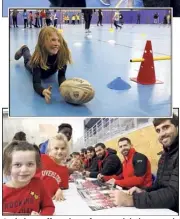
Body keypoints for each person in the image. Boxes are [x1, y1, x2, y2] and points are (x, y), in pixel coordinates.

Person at [110, 114, 179, 213]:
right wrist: (144, 191)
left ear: (177, 126)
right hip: (162, 205)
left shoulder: (139, 157)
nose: (162, 133)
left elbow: (175, 194)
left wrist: (132, 200)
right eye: (158, 130)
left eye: (166, 127)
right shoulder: (164, 156)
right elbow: (159, 185)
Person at [14, 26, 72, 104]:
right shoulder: (37, 60)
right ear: (43, 42)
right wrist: (43, 91)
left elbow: (61, 76)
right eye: (53, 40)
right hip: (34, 66)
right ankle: (24, 49)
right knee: (28, 61)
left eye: (59, 41)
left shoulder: (62, 55)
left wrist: (65, 87)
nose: (57, 44)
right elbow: (36, 83)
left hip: (47, 71)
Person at [3, 141, 55, 215]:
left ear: (36, 165)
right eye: (17, 164)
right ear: (8, 167)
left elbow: (49, 206)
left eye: (30, 164)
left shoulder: (38, 184)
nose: (24, 169)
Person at [37, 133, 69, 201]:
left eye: (63, 148)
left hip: (50, 201)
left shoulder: (64, 170)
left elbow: (62, 188)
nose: (60, 151)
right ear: (50, 150)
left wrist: (58, 190)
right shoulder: (41, 159)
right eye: (56, 148)